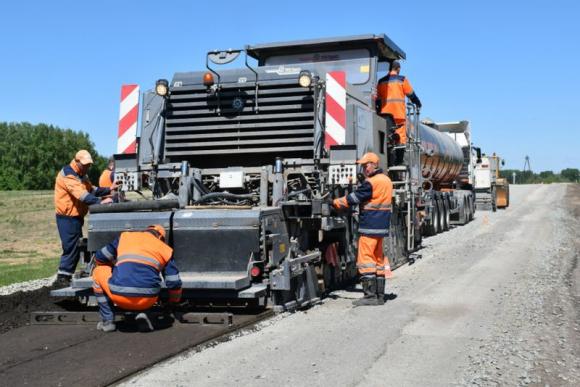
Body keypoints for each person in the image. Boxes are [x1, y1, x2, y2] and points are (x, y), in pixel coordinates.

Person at [92, 225, 182, 332]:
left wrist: (111, 268)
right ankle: (143, 313)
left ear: (145, 231)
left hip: (119, 296)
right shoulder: (165, 249)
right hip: (148, 300)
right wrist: (173, 301)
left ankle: (108, 322)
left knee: (98, 271)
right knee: (147, 281)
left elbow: (100, 257)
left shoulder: (126, 237)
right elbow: (174, 282)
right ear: (160, 238)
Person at [333, 152, 393, 306]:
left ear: (374, 164)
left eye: (367, 165)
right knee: (378, 260)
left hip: (370, 226)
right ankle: (380, 296)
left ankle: (370, 296)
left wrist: (335, 202)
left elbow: (354, 198)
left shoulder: (371, 183)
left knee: (365, 259)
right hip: (381, 226)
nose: (365, 169)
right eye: (363, 166)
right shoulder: (386, 180)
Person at [54, 150, 116, 287]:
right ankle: (62, 278)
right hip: (67, 217)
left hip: (75, 217)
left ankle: (67, 275)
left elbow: (92, 190)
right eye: (85, 164)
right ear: (76, 162)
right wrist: (100, 202)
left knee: (77, 245)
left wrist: (109, 189)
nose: (87, 167)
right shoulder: (68, 174)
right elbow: (82, 195)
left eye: (88, 165)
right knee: (71, 247)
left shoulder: (81, 174)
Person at [376, 60, 422, 145]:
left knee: (386, 138)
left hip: (385, 116)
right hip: (398, 115)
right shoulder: (402, 80)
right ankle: (399, 158)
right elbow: (411, 94)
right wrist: (418, 103)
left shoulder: (381, 82)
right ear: (398, 69)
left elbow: (377, 98)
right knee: (400, 140)